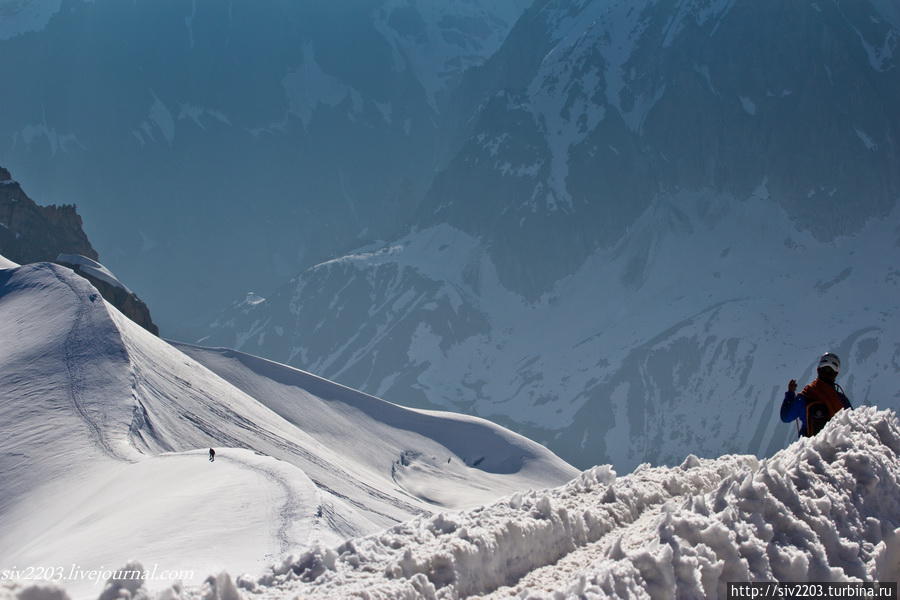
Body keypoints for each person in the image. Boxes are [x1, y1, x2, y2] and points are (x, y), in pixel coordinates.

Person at [781, 352, 852, 437]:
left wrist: (790, 393)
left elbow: (786, 417)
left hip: (810, 448)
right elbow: (852, 422)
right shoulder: (841, 399)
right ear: (836, 374)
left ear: (818, 370)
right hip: (836, 448)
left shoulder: (805, 396)